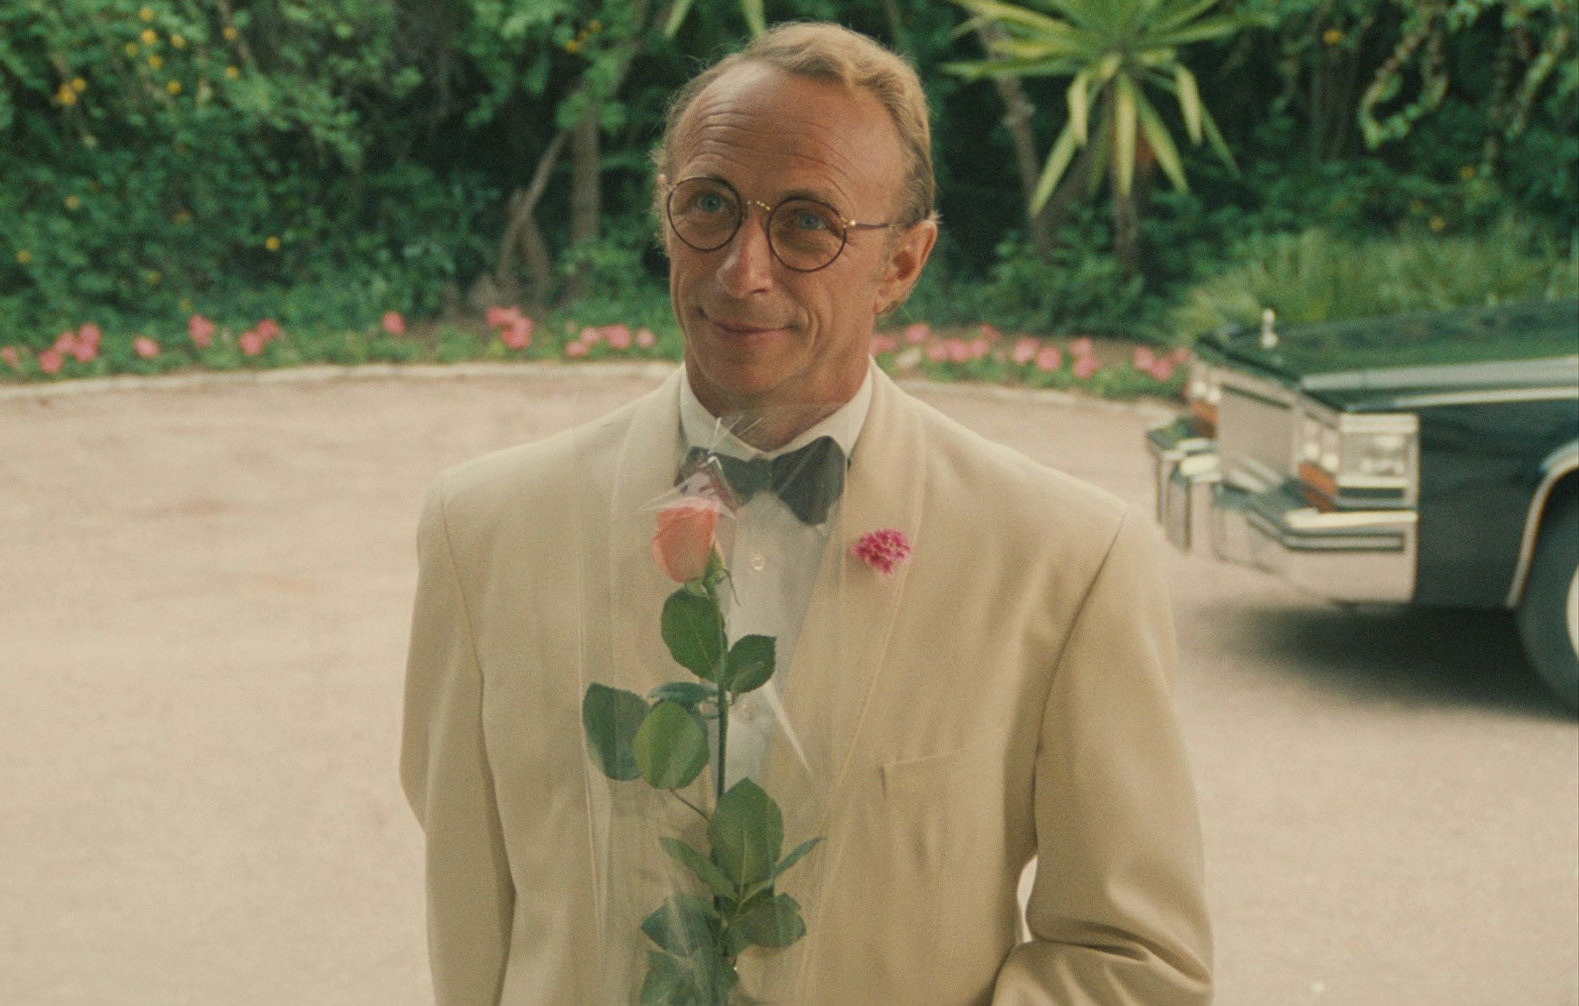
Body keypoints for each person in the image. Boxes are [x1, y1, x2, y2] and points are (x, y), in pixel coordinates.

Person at [401, 22, 1211, 1004]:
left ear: (901, 264)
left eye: (806, 223)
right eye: (709, 204)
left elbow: (1132, 959)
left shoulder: (1065, 561)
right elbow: (470, 911)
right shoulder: (481, 533)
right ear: (665, 214)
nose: (742, 270)